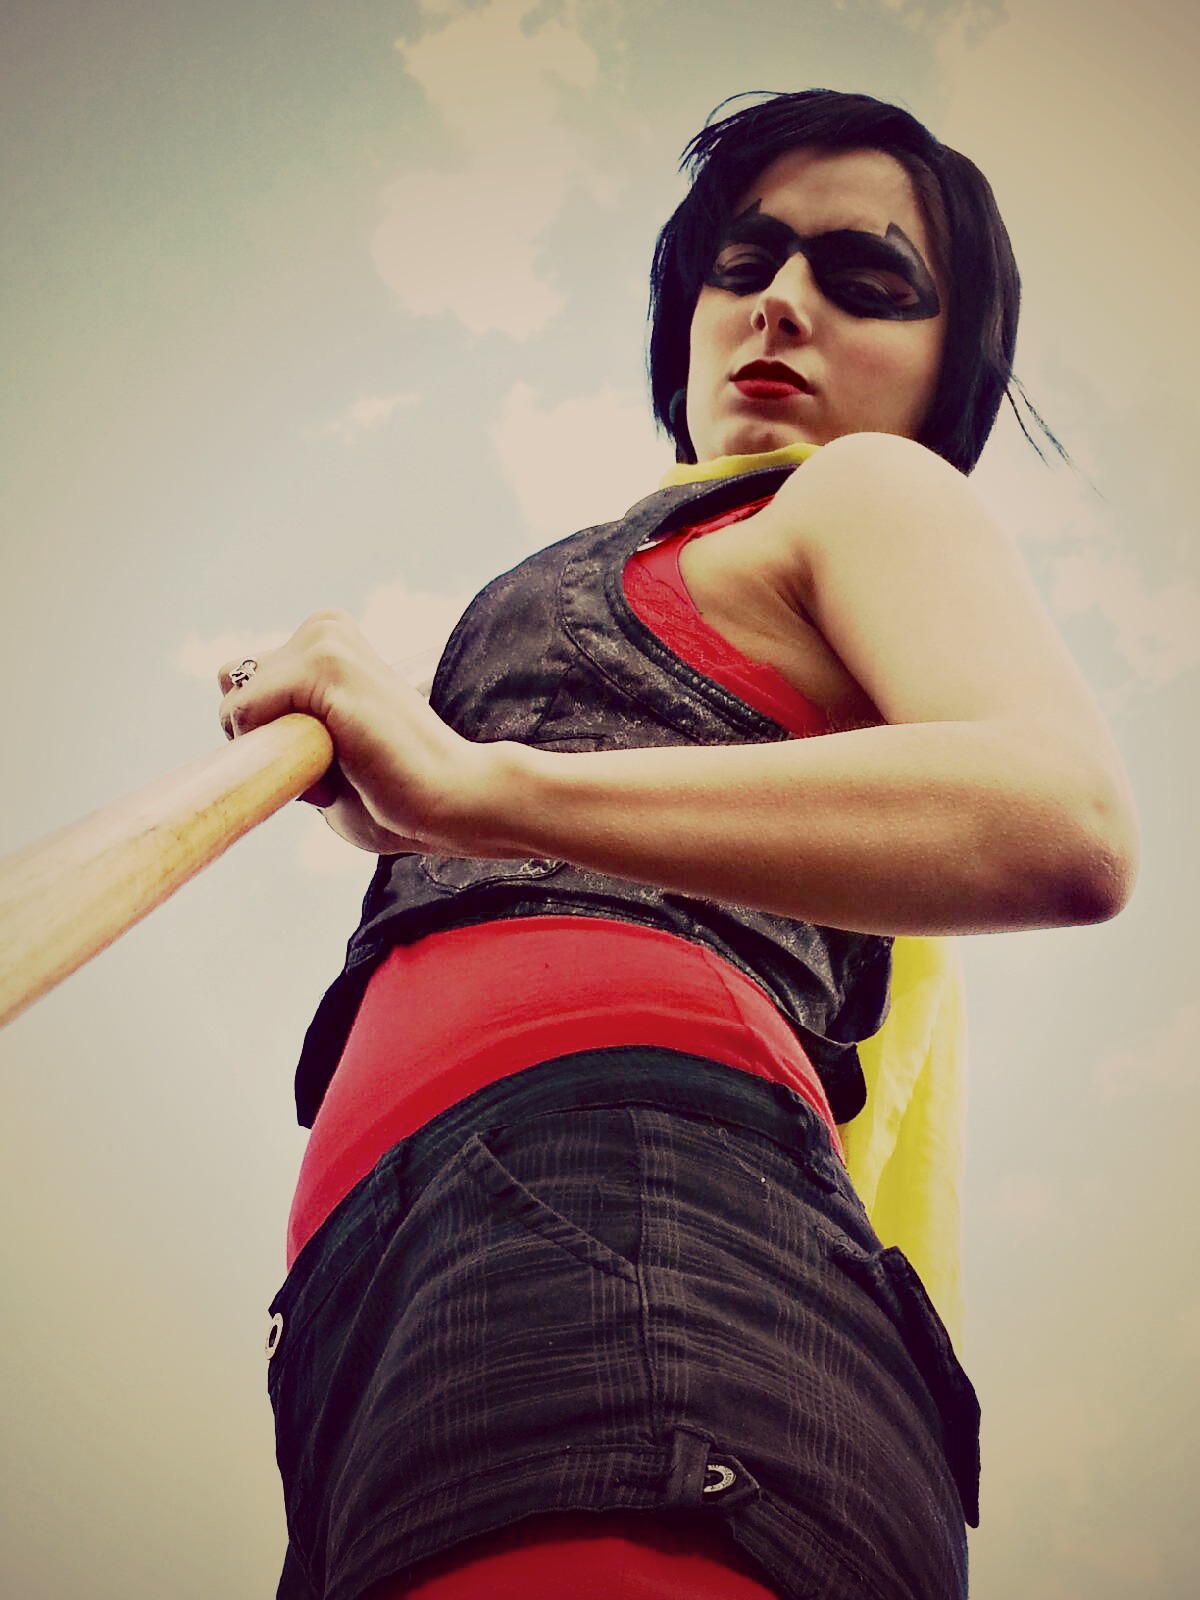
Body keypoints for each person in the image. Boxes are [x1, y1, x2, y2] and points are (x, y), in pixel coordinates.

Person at [219, 90, 1138, 1600]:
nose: (781, 303)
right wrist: (413, 809)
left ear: (947, 365)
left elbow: (1065, 821)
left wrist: (473, 790)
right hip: (369, 1300)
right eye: (745, 261)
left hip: (639, 1219)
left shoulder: (863, 490)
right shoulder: (658, 551)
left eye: (869, 279)